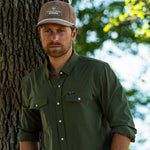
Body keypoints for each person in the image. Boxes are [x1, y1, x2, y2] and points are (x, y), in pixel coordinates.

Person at [18, 1, 137, 150]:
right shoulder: (31, 82)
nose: (54, 38)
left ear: (73, 34)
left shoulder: (98, 72)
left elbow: (123, 125)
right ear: (40, 34)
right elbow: (28, 133)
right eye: (48, 31)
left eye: (61, 31)